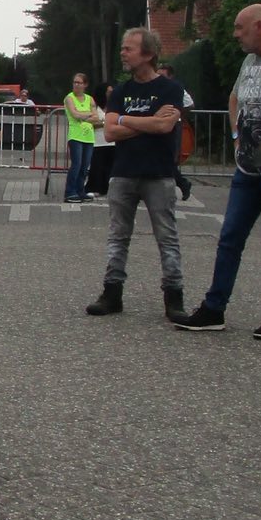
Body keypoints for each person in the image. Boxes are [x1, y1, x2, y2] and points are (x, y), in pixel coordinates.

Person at [176, 3, 261, 340]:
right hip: (246, 170)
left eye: (240, 28)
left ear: (259, 26)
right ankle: (214, 308)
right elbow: (234, 98)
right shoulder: (249, 62)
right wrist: (236, 138)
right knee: (229, 238)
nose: (235, 35)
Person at [86, 29, 188, 321]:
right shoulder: (120, 91)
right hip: (123, 172)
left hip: (159, 174)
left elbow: (165, 127)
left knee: (166, 237)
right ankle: (112, 292)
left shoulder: (171, 89)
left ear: (148, 54)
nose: (123, 53)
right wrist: (150, 120)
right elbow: (110, 131)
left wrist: (125, 120)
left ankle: (174, 296)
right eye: (122, 48)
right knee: (118, 236)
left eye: (128, 48)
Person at [160, 62, 195, 202]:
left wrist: (178, 113)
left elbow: (190, 104)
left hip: (174, 125)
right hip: (158, 124)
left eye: (163, 75)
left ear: (170, 76)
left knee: (169, 158)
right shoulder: (157, 87)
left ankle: (182, 184)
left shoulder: (176, 88)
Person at [62, 75, 99, 201]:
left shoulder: (90, 99)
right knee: (76, 164)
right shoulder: (69, 98)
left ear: (85, 84)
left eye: (79, 82)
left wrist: (83, 116)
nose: (76, 85)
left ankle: (80, 190)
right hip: (75, 135)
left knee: (84, 166)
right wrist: (89, 114)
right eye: (75, 82)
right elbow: (74, 114)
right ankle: (70, 191)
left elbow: (96, 117)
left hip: (89, 136)